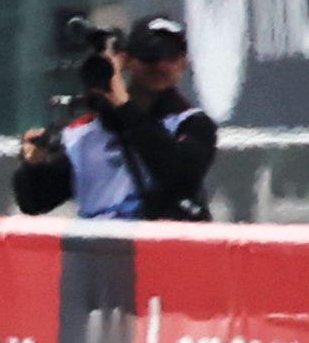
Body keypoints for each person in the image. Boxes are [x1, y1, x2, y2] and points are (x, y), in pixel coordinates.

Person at [12, 16, 216, 221]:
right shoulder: (82, 133)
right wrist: (33, 165)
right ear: (127, 60)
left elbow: (180, 175)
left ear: (183, 63)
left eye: (171, 56)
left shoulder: (192, 124)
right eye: (150, 55)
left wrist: (124, 106)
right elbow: (34, 202)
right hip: (97, 250)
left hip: (159, 249)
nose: (161, 65)